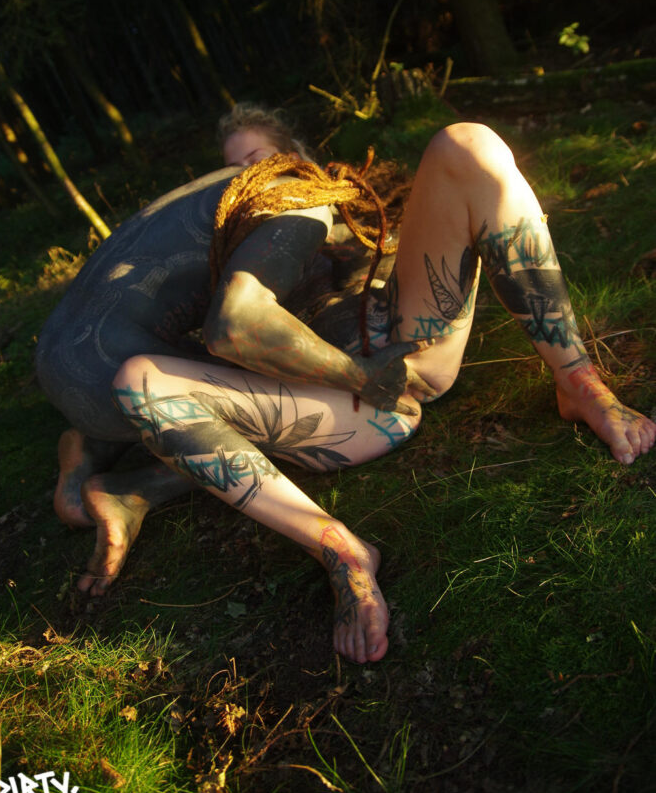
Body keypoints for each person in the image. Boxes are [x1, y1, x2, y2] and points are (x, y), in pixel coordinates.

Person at [36, 105, 655, 664]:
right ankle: (340, 549)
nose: (247, 175)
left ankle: (579, 382)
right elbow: (190, 360)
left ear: (297, 158)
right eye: (232, 168)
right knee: (138, 381)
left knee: (468, 143)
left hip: (405, 344)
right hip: (344, 407)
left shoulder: (338, 213)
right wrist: (87, 442)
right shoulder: (232, 255)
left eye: (259, 158)